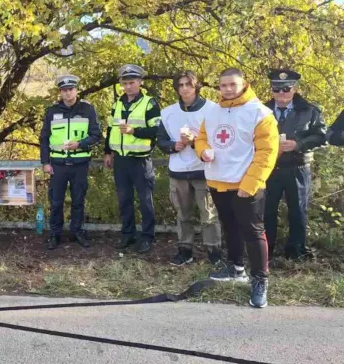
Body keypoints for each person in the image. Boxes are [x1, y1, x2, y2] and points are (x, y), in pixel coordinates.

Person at [195, 68, 278, 309]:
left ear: (244, 84)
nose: (228, 89)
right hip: (218, 181)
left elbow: (267, 153)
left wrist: (250, 184)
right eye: (223, 85)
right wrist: (202, 150)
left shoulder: (260, 113)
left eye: (233, 84)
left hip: (246, 184)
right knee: (229, 227)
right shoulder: (212, 111)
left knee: (253, 232)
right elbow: (201, 137)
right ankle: (235, 267)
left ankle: (260, 280)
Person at [157, 71, 222, 266]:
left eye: (188, 84)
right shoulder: (167, 112)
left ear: (196, 87)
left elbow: (220, 140)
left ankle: (214, 251)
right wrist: (172, 146)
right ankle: (185, 250)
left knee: (209, 215)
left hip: (205, 170)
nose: (184, 88)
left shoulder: (213, 110)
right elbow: (160, 140)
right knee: (182, 214)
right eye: (181, 85)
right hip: (178, 171)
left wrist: (196, 143)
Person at [264, 69, 327, 260]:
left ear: (294, 88)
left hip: (297, 167)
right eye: (277, 89)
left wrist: (298, 145)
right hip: (269, 169)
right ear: (272, 89)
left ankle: (296, 253)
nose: (281, 93)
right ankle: (265, 251)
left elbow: (322, 137)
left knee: (298, 211)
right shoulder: (261, 110)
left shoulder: (309, 110)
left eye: (286, 88)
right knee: (266, 210)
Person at [39, 75, 102, 250]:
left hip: (80, 164)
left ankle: (77, 231)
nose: (67, 93)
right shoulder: (52, 111)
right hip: (57, 164)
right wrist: (45, 162)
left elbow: (96, 135)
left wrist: (80, 144)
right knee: (56, 201)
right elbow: (44, 139)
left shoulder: (87, 109)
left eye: (70, 89)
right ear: (60, 92)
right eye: (64, 90)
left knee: (78, 200)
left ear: (76, 90)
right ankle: (55, 234)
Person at [104, 65, 162, 254]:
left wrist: (134, 131)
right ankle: (127, 234)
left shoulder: (149, 103)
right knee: (124, 200)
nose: (128, 86)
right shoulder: (117, 104)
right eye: (125, 83)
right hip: (120, 160)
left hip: (140, 160)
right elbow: (111, 130)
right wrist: (108, 152)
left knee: (145, 201)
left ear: (140, 82)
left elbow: (157, 131)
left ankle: (147, 237)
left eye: (132, 82)